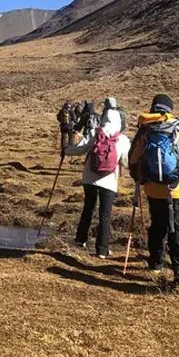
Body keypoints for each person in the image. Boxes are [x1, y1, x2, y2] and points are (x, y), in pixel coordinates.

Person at [129, 94, 179, 287]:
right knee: (177, 226)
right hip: (178, 189)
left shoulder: (145, 129)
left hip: (153, 188)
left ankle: (155, 263)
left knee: (157, 225)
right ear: (170, 109)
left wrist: (140, 179)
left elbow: (133, 159)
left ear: (153, 107)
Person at [65, 97, 130, 258]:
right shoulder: (122, 139)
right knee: (105, 215)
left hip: (89, 177)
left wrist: (66, 150)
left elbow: (80, 149)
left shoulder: (95, 132)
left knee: (88, 207)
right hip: (108, 180)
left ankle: (80, 239)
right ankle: (102, 249)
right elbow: (125, 161)